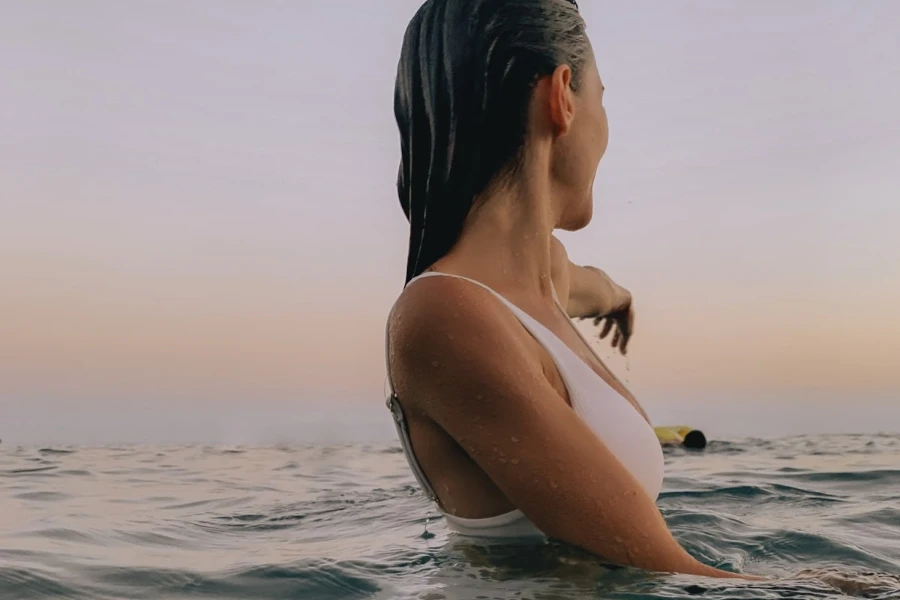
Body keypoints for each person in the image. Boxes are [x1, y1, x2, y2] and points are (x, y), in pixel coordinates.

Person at [384, 0, 756, 579]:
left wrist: (622, 302)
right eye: (602, 99)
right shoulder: (446, 314)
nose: (606, 129)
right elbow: (673, 574)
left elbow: (597, 288)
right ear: (562, 97)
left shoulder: (547, 280)